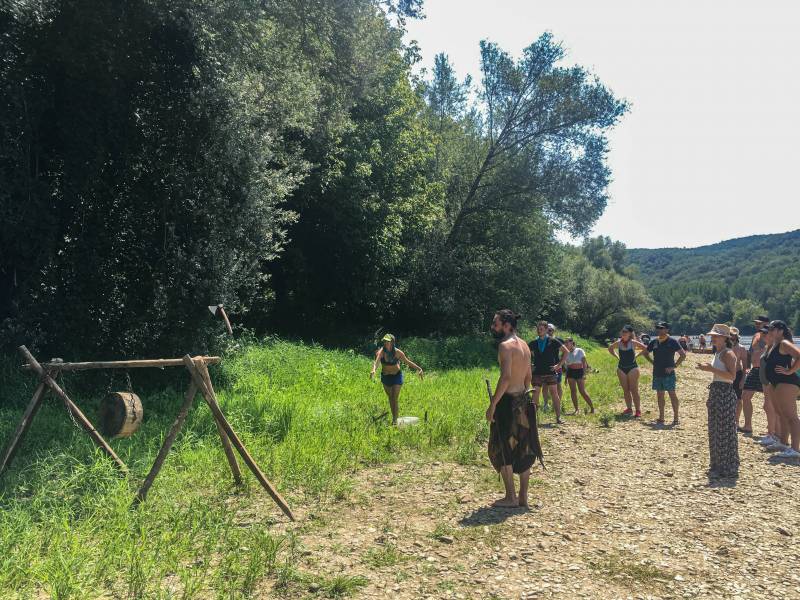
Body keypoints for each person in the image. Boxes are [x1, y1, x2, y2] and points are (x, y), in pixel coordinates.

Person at [486, 310, 544, 508]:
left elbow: (506, 378)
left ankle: (510, 497)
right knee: (524, 446)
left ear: (506, 325)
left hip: (507, 403)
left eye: (496, 323)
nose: (493, 327)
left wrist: (493, 404)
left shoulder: (505, 346)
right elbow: (528, 377)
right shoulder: (525, 346)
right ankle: (523, 497)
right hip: (524, 400)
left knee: (502, 445)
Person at [695, 324, 739, 478]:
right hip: (717, 391)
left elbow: (732, 376)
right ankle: (717, 465)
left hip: (724, 393)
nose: (713, 338)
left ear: (725, 338)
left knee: (723, 430)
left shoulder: (728, 353)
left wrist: (711, 369)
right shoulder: (719, 352)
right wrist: (707, 368)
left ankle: (726, 467)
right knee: (715, 429)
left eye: (716, 336)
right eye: (712, 336)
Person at [763, 320, 800, 458]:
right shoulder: (774, 344)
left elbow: (799, 355)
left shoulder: (784, 343)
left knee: (791, 416)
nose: (770, 332)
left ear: (780, 330)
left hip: (787, 382)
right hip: (775, 383)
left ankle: (795, 449)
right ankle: (783, 442)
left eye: (772, 329)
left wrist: (790, 371)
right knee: (781, 414)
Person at [370, 334, 423, 425]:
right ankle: (395, 418)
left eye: (388, 341)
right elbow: (377, 362)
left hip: (396, 376)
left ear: (392, 342)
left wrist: (419, 369)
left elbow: (407, 362)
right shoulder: (381, 352)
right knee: (390, 398)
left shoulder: (398, 352)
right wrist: (373, 370)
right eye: (385, 341)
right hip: (386, 377)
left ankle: (395, 420)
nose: (386, 343)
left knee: (395, 397)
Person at [642, 321, 686, 425]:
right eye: (658, 328)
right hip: (657, 372)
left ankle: (676, 418)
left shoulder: (672, 341)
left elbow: (683, 355)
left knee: (672, 394)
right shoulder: (654, 342)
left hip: (668, 373)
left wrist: (674, 367)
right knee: (660, 395)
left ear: (667, 329)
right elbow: (645, 353)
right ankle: (661, 417)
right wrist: (652, 362)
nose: (659, 330)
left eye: (662, 328)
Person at [741, 316, 776, 446]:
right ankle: (748, 425)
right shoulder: (756, 334)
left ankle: (772, 431)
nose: (757, 325)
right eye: (755, 323)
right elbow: (751, 352)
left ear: (767, 323)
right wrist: (748, 367)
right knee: (745, 395)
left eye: (759, 323)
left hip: (765, 370)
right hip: (754, 369)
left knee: (769, 403)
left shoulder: (770, 335)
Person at [529, 321, 567, 424]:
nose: (539, 331)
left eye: (541, 329)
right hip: (537, 373)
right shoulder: (533, 342)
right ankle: (534, 420)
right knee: (535, 394)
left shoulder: (553, 341)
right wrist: (530, 365)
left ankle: (558, 417)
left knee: (554, 394)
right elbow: (526, 355)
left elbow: (566, 351)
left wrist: (559, 365)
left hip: (550, 372)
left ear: (546, 330)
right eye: (538, 329)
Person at [608, 325, 648, 417]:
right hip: (621, 368)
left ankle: (638, 410)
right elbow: (610, 348)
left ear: (630, 334)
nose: (623, 333)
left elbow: (645, 349)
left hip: (632, 368)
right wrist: (617, 356)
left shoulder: (633, 342)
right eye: (622, 332)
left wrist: (637, 355)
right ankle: (629, 409)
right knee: (626, 390)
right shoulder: (618, 343)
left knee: (634, 390)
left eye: (625, 332)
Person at [559, 338, 594, 414]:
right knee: (573, 391)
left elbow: (584, 363)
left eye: (567, 342)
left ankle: (592, 408)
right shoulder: (565, 353)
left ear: (572, 343)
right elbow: (567, 367)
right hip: (571, 372)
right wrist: (565, 378)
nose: (565, 343)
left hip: (579, 371)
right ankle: (576, 409)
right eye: (565, 342)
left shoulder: (579, 350)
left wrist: (584, 374)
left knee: (582, 391)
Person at [541, 323, 564, 410]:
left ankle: (557, 404)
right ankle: (545, 404)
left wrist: (560, 364)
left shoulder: (558, 340)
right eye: (547, 330)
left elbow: (565, 353)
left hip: (556, 366)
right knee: (544, 386)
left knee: (558, 385)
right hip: (544, 367)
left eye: (550, 330)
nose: (549, 332)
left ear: (554, 331)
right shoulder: (541, 340)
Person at [729, 327, 748, 431]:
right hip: (726, 374)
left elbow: (745, 366)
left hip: (738, 374)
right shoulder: (725, 347)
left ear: (736, 336)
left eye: (732, 334)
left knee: (738, 399)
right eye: (729, 334)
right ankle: (728, 420)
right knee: (727, 397)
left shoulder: (741, 348)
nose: (731, 336)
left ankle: (736, 421)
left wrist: (743, 379)